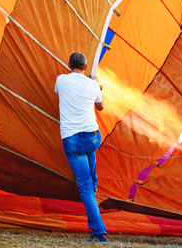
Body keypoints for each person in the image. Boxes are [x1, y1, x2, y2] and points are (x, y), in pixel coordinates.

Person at [56, 50, 107, 242]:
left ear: (69, 65)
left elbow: (65, 92)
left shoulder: (61, 80)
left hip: (72, 140)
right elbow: (100, 107)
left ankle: (99, 231)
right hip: (92, 137)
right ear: (86, 67)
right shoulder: (92, 84)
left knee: (85, 187)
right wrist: (96, 85)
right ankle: (94, 189)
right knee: (90, 180)